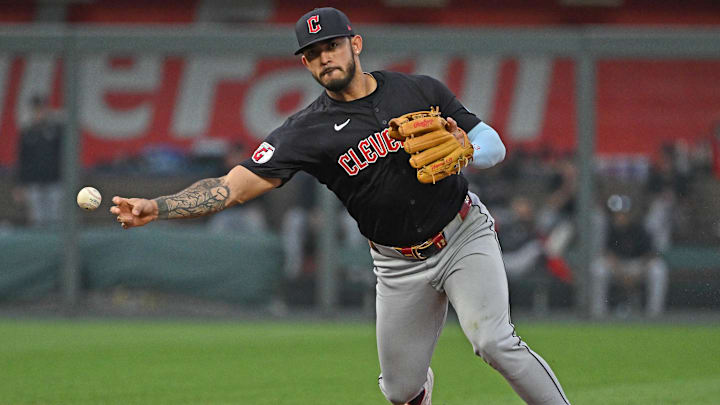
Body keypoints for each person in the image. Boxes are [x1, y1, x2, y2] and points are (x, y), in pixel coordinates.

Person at [110, 8, 570, 404]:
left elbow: (493, 143)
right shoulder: (305, 131)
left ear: (355, 44)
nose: (323, 57)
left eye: (331, 45)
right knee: (399, 390)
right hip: (396, 265)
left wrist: (467, 149)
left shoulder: (416, 90)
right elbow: (233, 187)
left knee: (492, 340)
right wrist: (158, 206)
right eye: (311, 53)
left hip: (462, 234)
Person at [589, 205, 669, 318]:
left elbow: (650, 254)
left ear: (629, 215)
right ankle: (598, 311)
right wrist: (620, 272)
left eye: (623, 214)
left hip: (637, 266)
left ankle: (654, 312)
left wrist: (637, 273)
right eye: (618, 214)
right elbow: (605, 253)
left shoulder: (639, 228)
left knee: (658, 269)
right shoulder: (609, 229)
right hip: (616, 267)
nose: (620, 217)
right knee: (598, 268)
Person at [14, 95, 64, 227]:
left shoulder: (56, 131)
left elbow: (64, 157)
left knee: (55, 218)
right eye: (37, 110)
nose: (39, 113)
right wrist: (20, 184)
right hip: (34, 182)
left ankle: (56, 246)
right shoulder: (28, 132)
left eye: (42, 109)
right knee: (37, 219)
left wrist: (67, 180)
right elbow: (22, 160)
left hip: (55, 181)